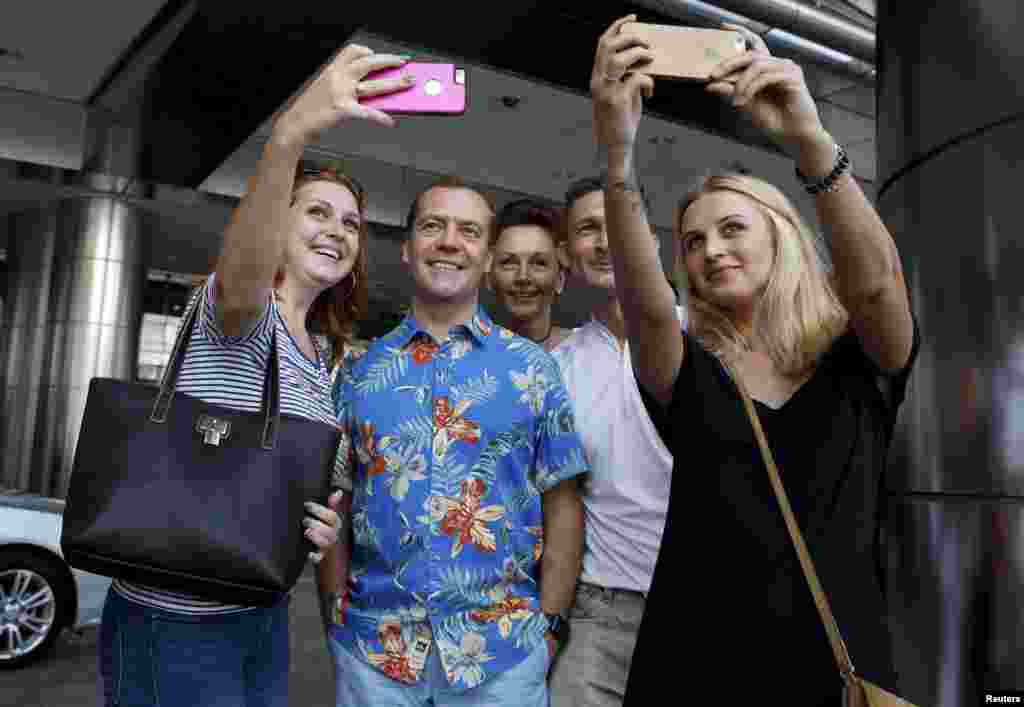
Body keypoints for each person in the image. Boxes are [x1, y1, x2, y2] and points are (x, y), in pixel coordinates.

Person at [588, 16, 919, 705]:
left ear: (783, 235)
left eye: (732, 228)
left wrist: (809, 140)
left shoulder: (854, 358)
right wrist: (617, 158)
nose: (710, 250)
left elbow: (881, 285)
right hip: (693, 668)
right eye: (693, 242)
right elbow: (648, 309)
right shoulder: (688, 371)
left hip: (834, 671)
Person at [98, 44, 414, 707]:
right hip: (174, 621)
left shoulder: (320, 353)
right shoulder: (240, 309)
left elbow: (270, 478)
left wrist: (315, 525)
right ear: (279, 224)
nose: (337, 230)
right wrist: (291, 134)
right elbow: (243, 271)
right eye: (317, 212)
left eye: (352, 223)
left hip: (258, 614)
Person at [328, 176, 588, 706]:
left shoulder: (533, 369)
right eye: (432, 226)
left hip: (503, 653)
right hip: (375, 654)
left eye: (468, 231)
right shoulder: (360, 371)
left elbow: (562, 504)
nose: (449, 241)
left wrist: (551, 624)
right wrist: (334, 604)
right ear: (407, 249)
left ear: (487, 257)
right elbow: (338, 494)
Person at [546, 176, 683, 706]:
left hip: (708, 605)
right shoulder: (559, 367)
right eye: (587, 229)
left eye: (619, 224)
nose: (606, 241)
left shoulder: (707, 340)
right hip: (599, 617)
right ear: (567, 254)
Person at [487, 198, 573, 350]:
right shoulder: (462, 357)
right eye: (509, 262)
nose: (523, 277)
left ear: (560, 280)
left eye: (539, 263)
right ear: (489, 278)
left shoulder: (590, 355)